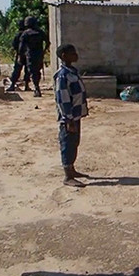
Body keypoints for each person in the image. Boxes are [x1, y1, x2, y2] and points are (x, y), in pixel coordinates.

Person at [54, 43, 89, 187]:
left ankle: (72, 169)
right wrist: (68, 119)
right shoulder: (62, 76)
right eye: (72, 53)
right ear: (64, 56)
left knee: (74, 142)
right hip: (69, 118)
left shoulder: (72, 72)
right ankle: (68, 176)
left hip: (76, 115)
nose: (76, 55)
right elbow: (62, 99)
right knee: (67, 143)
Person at [18, 16, 49, 97]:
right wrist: (43, 51)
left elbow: (21, 47)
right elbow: (48, 42)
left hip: (30, 55)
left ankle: (36, 88)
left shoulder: (25, 33)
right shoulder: (40, 32)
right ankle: (36, 87)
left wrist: (20, 55)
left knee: (31, 71)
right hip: (39, 55)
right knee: (37, 71)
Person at [5, 18, 28, 92]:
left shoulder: (19, 34)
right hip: (28, 54)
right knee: (27, 70)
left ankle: (12, 85)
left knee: (17, 70)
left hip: (20, 54)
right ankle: (26, 85)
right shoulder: (27, 33)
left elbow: (14, 45)